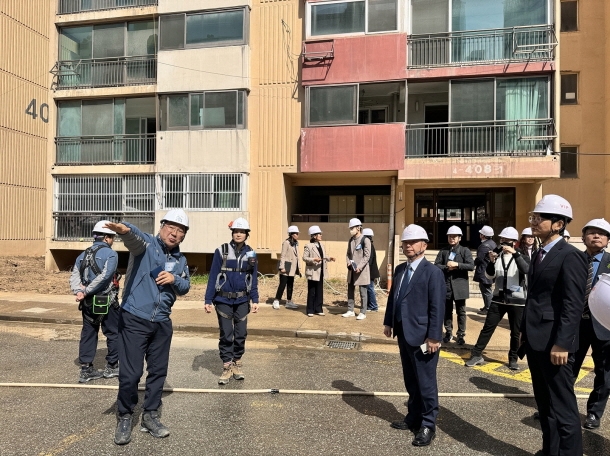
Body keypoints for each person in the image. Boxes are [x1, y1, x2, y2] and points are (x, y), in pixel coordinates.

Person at [106, 209, 191, 445]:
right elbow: (134, 237)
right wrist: (125, 229)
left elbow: (186, 287)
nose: (174, 234)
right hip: (135, 317)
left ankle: (150, 415)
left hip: (162, 322)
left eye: (180, 231)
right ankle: (125, 415)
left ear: (184, 236)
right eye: (171, 228)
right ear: (162, 226)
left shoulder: (180, 260)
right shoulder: (145, 246)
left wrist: (175, 280)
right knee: (131, 374)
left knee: (158, 372)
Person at [519, 194, 587, 456]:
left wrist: (563, 343)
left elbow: (572, 304)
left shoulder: (570, 256)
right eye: (533, 218)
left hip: (555, 345)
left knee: (564, 409)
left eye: (540, 218)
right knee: (545, 405)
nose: (534, 222)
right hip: (537, 341)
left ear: (558, 224)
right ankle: (551, 450)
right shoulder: (539, 252)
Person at [384, 224, 445, 447]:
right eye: (405, 243)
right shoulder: (401, 270)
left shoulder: (433, 273)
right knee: (411, 379)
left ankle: (428, 424)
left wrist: (434, 337)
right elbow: (394, 297)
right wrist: (389, 321)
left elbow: (437, 308)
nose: (408, 246)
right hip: (403, 333)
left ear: (424, 245)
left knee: (426, 383)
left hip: (424, 337)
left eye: (412, 242)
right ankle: (413, 417)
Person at [465, 227, 529, 370]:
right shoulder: (497, 256)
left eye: (507, 241)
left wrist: (515, 254)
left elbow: (526, 270)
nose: (504, 244)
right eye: (502, 240)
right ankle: (476, 354)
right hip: (498, 299)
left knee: (515, 332)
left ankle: (513, 358)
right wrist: (492, 262)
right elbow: (489, 276)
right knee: (488, 327)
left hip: (517, 301)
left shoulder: (522, 256)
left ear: (515, 242)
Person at [204, 217, 259, 385]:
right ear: (232, 233)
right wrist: (208, 299)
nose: (239, 234)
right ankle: (227, 365)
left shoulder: (251, 254)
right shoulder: (221, 251)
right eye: (236, 231)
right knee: (226, 334)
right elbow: (213, 275)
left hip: (242, 299)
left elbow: (253, 277)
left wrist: (255, 299)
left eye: (242, 232)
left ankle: (237, 362)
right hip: (223, 300)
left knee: (241, 333)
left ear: (246, 234)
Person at [69, 221, 120, 383]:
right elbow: (105, 276)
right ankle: (111, 366)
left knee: (88, 332)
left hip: (88, 302)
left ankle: (86, 369)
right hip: (106, 299)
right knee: (113, 332)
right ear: (106, 238)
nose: (113, 240)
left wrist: (79, 291)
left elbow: (75, 275)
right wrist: (86, 290)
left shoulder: (82, 255)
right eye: (112, 237)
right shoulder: (111, 254)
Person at [573, 218, 610, 430]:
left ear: (607, 240)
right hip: (575, 325)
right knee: (567, 369)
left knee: (605, 373)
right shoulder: (572, 259)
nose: (596, 236)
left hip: (604, 326)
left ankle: (594, 413)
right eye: (592, 232)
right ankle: (558, 408)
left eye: (601, 233)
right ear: (584, 236)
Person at [434, 226, 474, 345]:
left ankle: (461, 334)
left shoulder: (464, 250)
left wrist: (457, 265)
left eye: (454, 236)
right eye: (450, 236)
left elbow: (471, 266)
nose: (452, 238)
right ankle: (448, 332)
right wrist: (447, 267)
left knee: (461, 311)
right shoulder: (444, 251)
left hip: (460, 286)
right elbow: (436, 265)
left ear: (459, 238)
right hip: (446, 285)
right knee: (447, 311)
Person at [303, 226, 335, 317]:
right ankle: (310, 310)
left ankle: (318, 309)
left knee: (319, 290)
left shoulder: (322, 245)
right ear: (314, 236)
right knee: (312, 290)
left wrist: (329, 258)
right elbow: (304, 258)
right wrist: (314, 259)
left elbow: (324, 256)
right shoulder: (308, 246)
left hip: (321, 271)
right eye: (319, 234)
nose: (321, 235)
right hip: (313, 271)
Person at [343, 218, 371, 320]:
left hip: (361, 270)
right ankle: (350, 310)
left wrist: (359, 267)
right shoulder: (351, 240)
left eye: (352, 228)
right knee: (350, 290)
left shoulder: (365, 240)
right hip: (352, 270)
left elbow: (367, 256)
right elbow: (348, 254)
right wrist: (348, 262)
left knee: (363, 292)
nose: (351, 230)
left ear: (358, 228)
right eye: (350, 228)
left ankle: (363, 312)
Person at [272, 226, 300, 310]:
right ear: (291, 234)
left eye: (297, 233)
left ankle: (289, 301)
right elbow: (283, 255)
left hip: (293, 267)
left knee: (290, 285)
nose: (297, 235)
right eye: (295, 233)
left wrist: (299, 267)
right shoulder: (286, 243)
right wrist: (281, 267)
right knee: (282, 284)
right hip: (286, 266)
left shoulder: (296, 243)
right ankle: (276, 300)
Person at [474, 225, 496, 315]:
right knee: (485, 289)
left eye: (481, 234)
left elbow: (479, 259)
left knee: (486, 290)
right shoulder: (493, 243)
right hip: (489, 270)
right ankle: (486, 305)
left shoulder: (484, 246)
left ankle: (488, 308)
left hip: (484, 271)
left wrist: (472, 264)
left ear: (483, 235)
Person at [363, 228, 380, 312]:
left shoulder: (368, 245)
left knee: (369, 288)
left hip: (369, 271)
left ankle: (373, 306)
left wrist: (364, 269)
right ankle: (370, 305)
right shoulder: (371, 244)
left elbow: (369, 260)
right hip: (370, 270)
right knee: (368, 288)